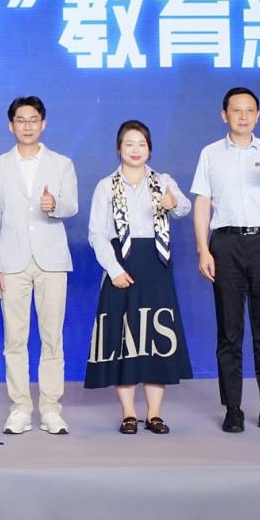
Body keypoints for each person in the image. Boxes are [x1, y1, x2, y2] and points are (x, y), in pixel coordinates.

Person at [191, 87, 260, 435]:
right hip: (226, 244)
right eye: (236, 110)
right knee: (229, 331)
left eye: (250, 110)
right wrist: (203, 249)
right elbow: (202, 203)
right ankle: (233, 409)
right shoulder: (210, 153)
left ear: (258, 115)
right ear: (224, 115)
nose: (243, 116)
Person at [85, 119, 193, 434]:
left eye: (141, 144)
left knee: (156, 337)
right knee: (125, 339)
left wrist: (174, 202)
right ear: (119, 148)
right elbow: (96, 234)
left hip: (157, 264)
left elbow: (184, 208)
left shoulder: (163, 180)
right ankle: (129, 413)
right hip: (122, 264)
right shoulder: (106, 185)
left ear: (150, 149)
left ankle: (155, 413)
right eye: (129, 144)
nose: (135, 150)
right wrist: (114, 270)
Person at [0, 96, 78, 436]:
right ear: (10, 126)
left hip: (52, 260)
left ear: (43, 124)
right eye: (21, 120)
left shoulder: (61, 163)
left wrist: (55, 205)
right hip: (12, 262)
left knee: (52, 338)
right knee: (15, 339)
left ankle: (51, 408)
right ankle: (20, 407)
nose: (27, 126)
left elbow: (72, 206)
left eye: (33, 119)